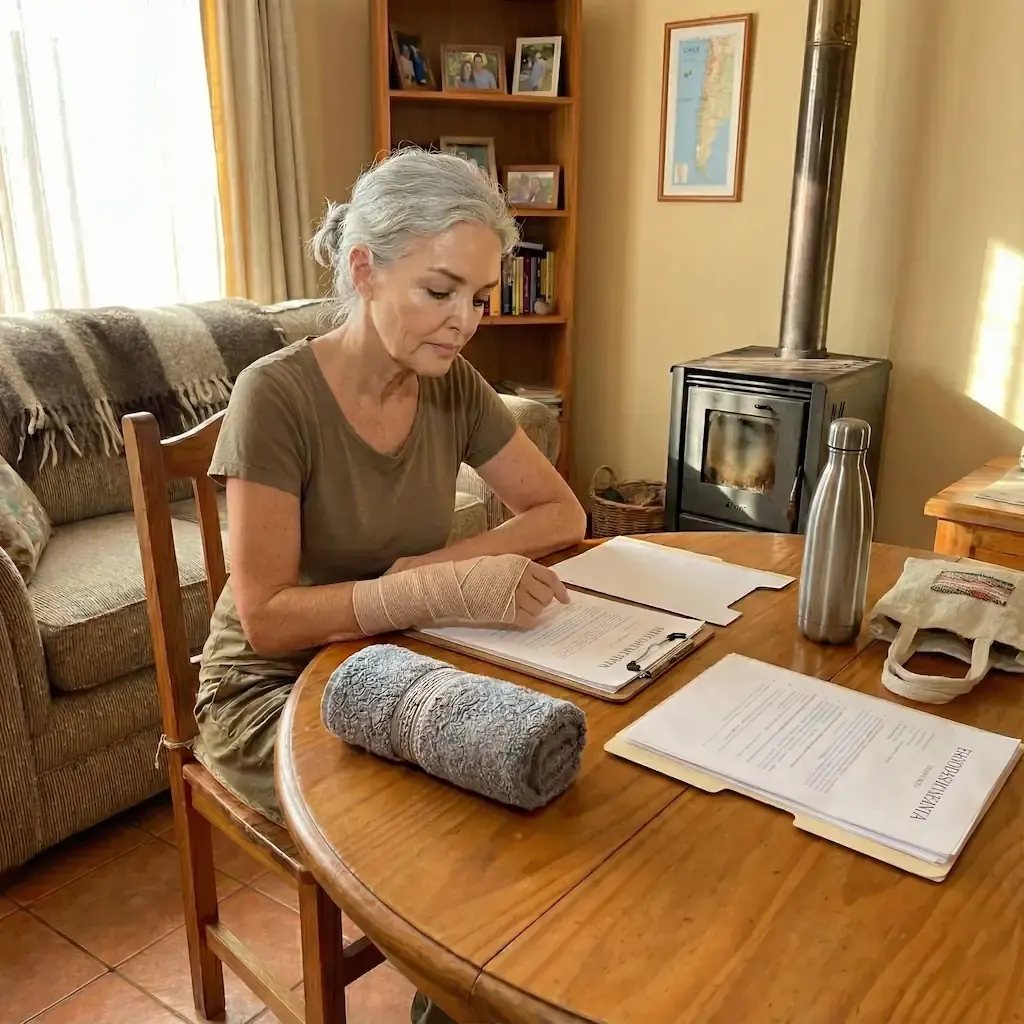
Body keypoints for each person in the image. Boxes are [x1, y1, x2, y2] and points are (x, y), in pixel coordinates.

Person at [194, 147, 586, 1024]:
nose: (464, 322)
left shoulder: (452, 387)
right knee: (451, 829)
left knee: (533, 773)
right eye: (440, 291)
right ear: (364, 270)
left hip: (391, 661)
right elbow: (264, 620)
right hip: (266, 693)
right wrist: (424, 594)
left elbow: (561, 515)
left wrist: (426, 575)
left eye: (480, 299)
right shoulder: (277, 398)